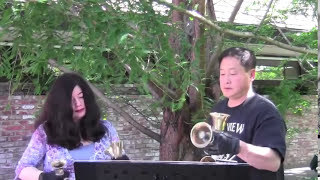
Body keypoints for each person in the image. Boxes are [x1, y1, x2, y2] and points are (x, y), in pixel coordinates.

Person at [15, 73, 129, 180]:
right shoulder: (45, 132)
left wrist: (125, 165)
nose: (78, 103)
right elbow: (22, 168)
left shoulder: (108, 129)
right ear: (60, 104)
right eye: (71, 100)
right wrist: (43, 177)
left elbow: (120, 158)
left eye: (81, 97)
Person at [204, 47, 286, 180]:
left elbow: (273, 162)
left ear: (252, 75)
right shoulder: (217, 109)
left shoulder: (266, 111)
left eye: (233, 73)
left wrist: (236, 146)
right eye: (222, 74)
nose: (226, 80)